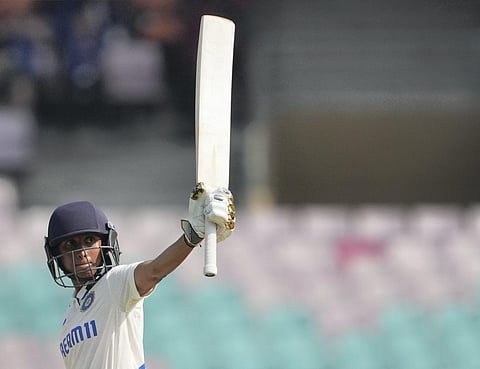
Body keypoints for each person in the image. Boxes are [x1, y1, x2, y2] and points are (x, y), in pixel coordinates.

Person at [43, 183, 235, 369]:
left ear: (105, 243)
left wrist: (192, 237)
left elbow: (154, 271)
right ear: (56, 256)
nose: (81, 251)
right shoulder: (69, 317)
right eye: (70, 245)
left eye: (89, 240)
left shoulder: (113, 283)